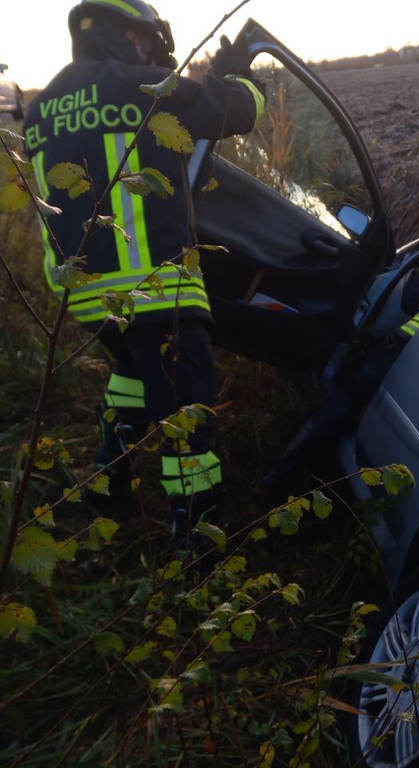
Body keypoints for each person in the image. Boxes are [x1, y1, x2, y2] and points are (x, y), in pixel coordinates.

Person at [23, 0, 265, 551]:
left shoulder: (42, 105)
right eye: (147, 41)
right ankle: (195, 543)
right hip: (153, 289)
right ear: (127, 33)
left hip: (87, 298)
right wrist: (237, 71)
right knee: (187, 419)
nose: (151, 51)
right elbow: (236, 111)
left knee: (131, 375)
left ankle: (108, 484)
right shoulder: (140, 86)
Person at [258, 234, 419, 498]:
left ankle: (282, 479)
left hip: (416, 341)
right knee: (353, 405)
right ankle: (286, 479)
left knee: (347, 403)